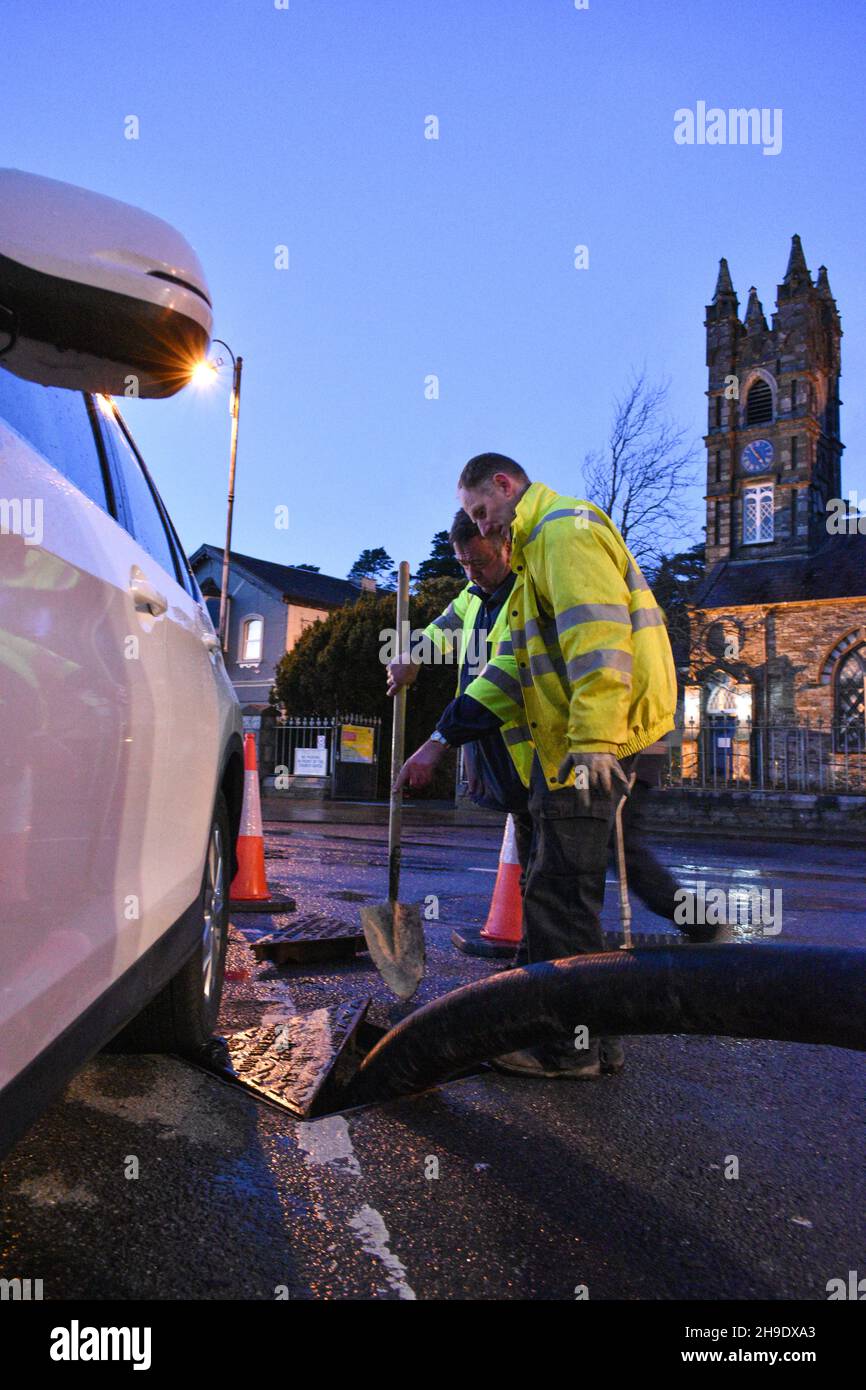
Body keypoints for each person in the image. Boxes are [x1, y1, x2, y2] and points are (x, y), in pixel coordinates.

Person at [396, 453, 679, 1080]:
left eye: (481, 512)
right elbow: (508, 671)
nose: (480, 528)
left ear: (504, 486)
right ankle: (592, 1037)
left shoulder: (561, 533)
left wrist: (597, 742)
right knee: (565, 892)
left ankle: (566, 1050)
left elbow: (597, 638)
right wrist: (430, 706)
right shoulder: (529, 556)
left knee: (559, 893)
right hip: (567, 747)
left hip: (585, 746)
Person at [387, 510, 533, 872]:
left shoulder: (527, 596)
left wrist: (438, 740)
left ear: (508, 548)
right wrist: (413, 655)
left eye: (480, 562)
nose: (472, 573)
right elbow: (445, 626)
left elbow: (503, 677)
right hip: (500, 761)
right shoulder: (474, 593)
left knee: (550, 878)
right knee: (533, 876)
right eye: (463, 563)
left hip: (539, 765)